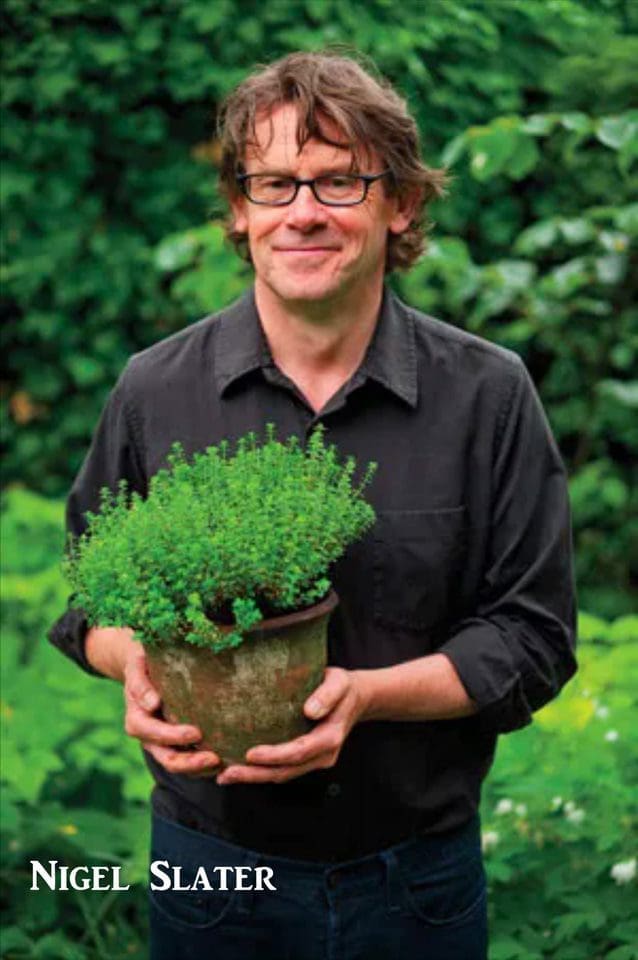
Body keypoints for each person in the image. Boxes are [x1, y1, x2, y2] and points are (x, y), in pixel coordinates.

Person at [49, 51, 577, 960]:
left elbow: (533, 637)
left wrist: (367, 699)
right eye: (275, 184)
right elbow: (88, 605)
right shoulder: (156, 390)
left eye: (339, 182)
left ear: (398, 203)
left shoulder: (487, 396)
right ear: (240, 207)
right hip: (210, 869)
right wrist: (136, 663)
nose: (303, 211)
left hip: (416, 878)